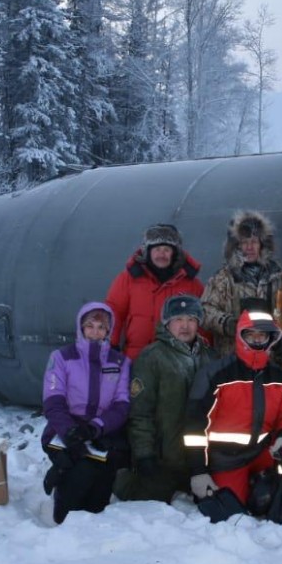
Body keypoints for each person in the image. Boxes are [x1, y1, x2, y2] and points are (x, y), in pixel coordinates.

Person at [183, 299, 282, 522]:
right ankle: (244, 485)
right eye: (251, 334)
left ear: (271, 339)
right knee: (232, 512)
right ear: (240, 335)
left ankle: (268, 481)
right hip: (226, 458)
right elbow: (195, 428)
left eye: (262, 336)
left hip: (263, 454)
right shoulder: (216, 374)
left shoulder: (278, 376)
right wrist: (198, 471)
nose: (256, 340)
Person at [40, 301, 132, 524]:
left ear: (109, 330)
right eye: (90, 326)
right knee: (83, 471)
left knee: (100, 481)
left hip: (100, 431)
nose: (95, 332)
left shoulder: (120, 362)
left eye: (101, 327)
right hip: (65, 430)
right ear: (81, 328)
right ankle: (62, 510)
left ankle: (67, 476)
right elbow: (53, 401)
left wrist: (96, 427)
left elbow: (121, 404)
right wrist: (70, 430)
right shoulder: (62, 357)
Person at [117, 294, 214, 503]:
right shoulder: (152, 357)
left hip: (198, 460)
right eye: (178, 319)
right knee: (148, 501)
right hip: (163, 459)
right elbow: (140, 412)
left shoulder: (209, 356)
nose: (185, 326)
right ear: (167, 323)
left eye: (191, 319)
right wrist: (144, 455)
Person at [201, 209, 282, 365]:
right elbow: (205, 311)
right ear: (236, 246)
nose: (249, 247)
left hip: (272, 362)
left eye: (254, 241)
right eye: (244, 242)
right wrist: (228, 323)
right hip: (233, 361)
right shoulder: (223, 278)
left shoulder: (279, 277)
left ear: (262, 245)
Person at [105, 223, 204, 360]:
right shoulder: (128, 279)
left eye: (166, 250)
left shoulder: (192, 284)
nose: (161, 254)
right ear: (147, 252)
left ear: (175, 253)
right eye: (157, 249)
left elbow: (203, 322)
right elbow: (113, 312)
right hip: (136, 359)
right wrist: (110, 346)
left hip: (176, 362)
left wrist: (202, 352)